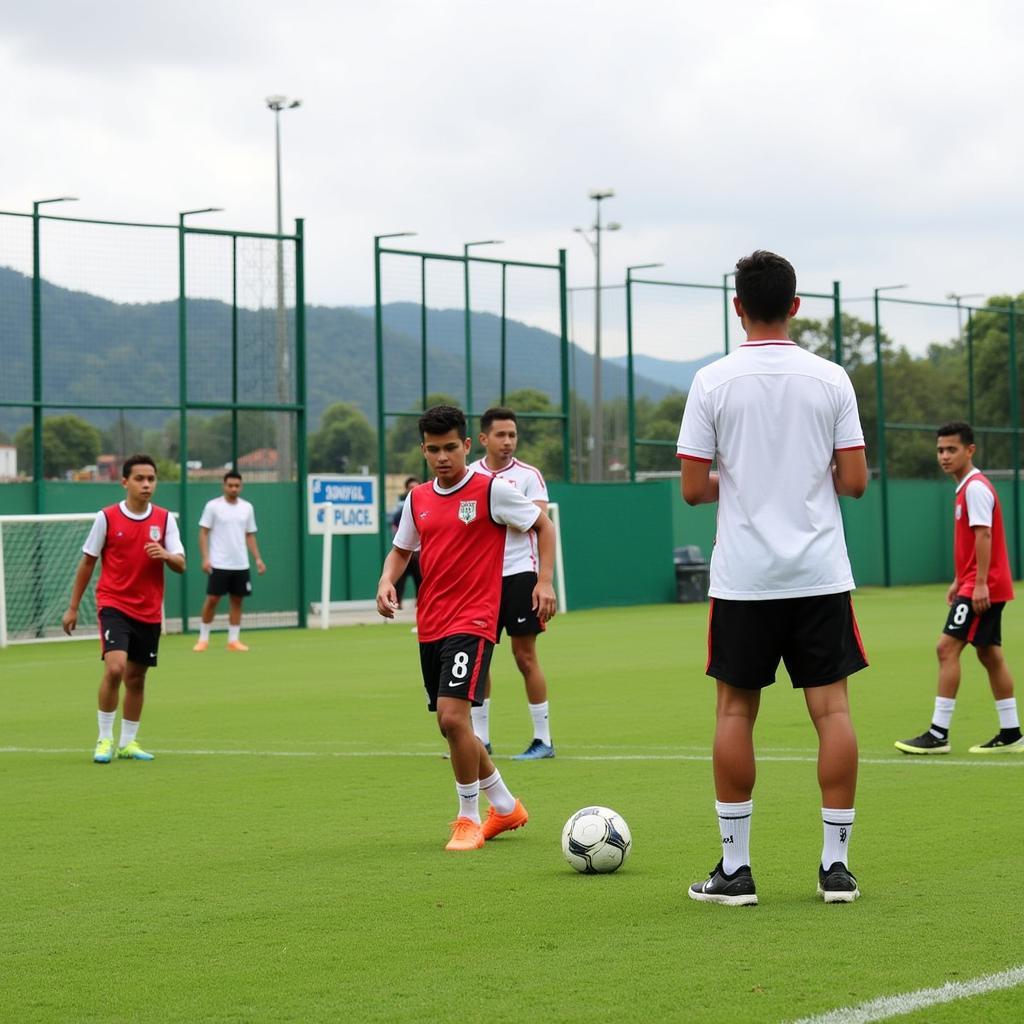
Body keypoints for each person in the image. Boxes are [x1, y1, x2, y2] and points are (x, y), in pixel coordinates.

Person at [677, 250, 869, 906]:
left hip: (745, 578)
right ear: (795, 305)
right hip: (818, 571)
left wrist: (740, 477)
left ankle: (736, 872)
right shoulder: (832, 379)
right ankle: (835, 869)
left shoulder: (711, 383)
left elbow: (693, 490)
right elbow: (856, 482)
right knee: (832, 710)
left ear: (737, 306)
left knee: (736, 710)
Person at [376, 405, 557, 851]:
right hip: (431, 623)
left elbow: (543, 525)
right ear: (422, 450)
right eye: (434, 449)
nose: (443, 457)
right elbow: (402, 550)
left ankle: (467, 818)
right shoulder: (417, 499)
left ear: (466, 445)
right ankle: (505, 804)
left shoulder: (491, 490)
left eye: (451, 448)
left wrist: (545, 581)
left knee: (453, 717)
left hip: (473, 619)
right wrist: (386, 580)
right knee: (451, 726)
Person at [895, 422, 1023, 755]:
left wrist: (978, 584)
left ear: (970, 450)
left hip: (983, 587)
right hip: (977, 584)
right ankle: (1011, 732)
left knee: (945, 649)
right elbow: (973, 540)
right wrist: (959, 578)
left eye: (952, 449)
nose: (944, 456)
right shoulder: (965, 488)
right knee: (989, 654)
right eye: (940, 450)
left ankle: (938, 734)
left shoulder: (975, 488)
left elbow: (984, 536)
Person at [62, 454, 186, 763]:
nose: (146, 485)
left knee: (136, 678)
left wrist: (166, 555)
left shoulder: (165, 519)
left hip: (149, 610)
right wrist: (73, 607)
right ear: (125, 482)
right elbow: (88, 561)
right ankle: (104, 739)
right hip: (113, 604)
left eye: (151, 479)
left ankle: (128, 743)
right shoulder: (106, 517)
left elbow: (182, 564)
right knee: (115, 668)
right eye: (140, 479)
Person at [469, 407, 555, 759]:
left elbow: (535, 521)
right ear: (484, 439)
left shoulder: (528, 476)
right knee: (478, 660)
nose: (508, 442)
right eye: (501, 435)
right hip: (479, 579)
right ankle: (479, 740)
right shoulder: (469, 474)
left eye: (513, 435)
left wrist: (544, 581)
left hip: (520, 575)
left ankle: (543, 740)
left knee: (525, 657)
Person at [193, 470, 265, 652]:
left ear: (241, 487)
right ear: (223, 486)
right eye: (230, 485)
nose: (233, 489)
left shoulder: (247, 508)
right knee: (213, 599)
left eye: (237, 486)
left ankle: (233, 640)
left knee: (237, 600)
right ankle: (203, 639)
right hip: (218, 563)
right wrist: (205, 558)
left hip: (241, 564)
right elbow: (203, 532)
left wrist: (258, 559)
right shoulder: (213, 506)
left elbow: (250, 535)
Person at [389, 476, 421, 609]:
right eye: (410, 488)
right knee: (399, 579)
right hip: (407, 551)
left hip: (421, 554)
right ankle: (397, 603)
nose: (413, 490)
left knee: (421, 579)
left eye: (415, 487)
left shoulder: (432, 504)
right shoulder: (401, 511)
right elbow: (397, 532)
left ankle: (420, 603)